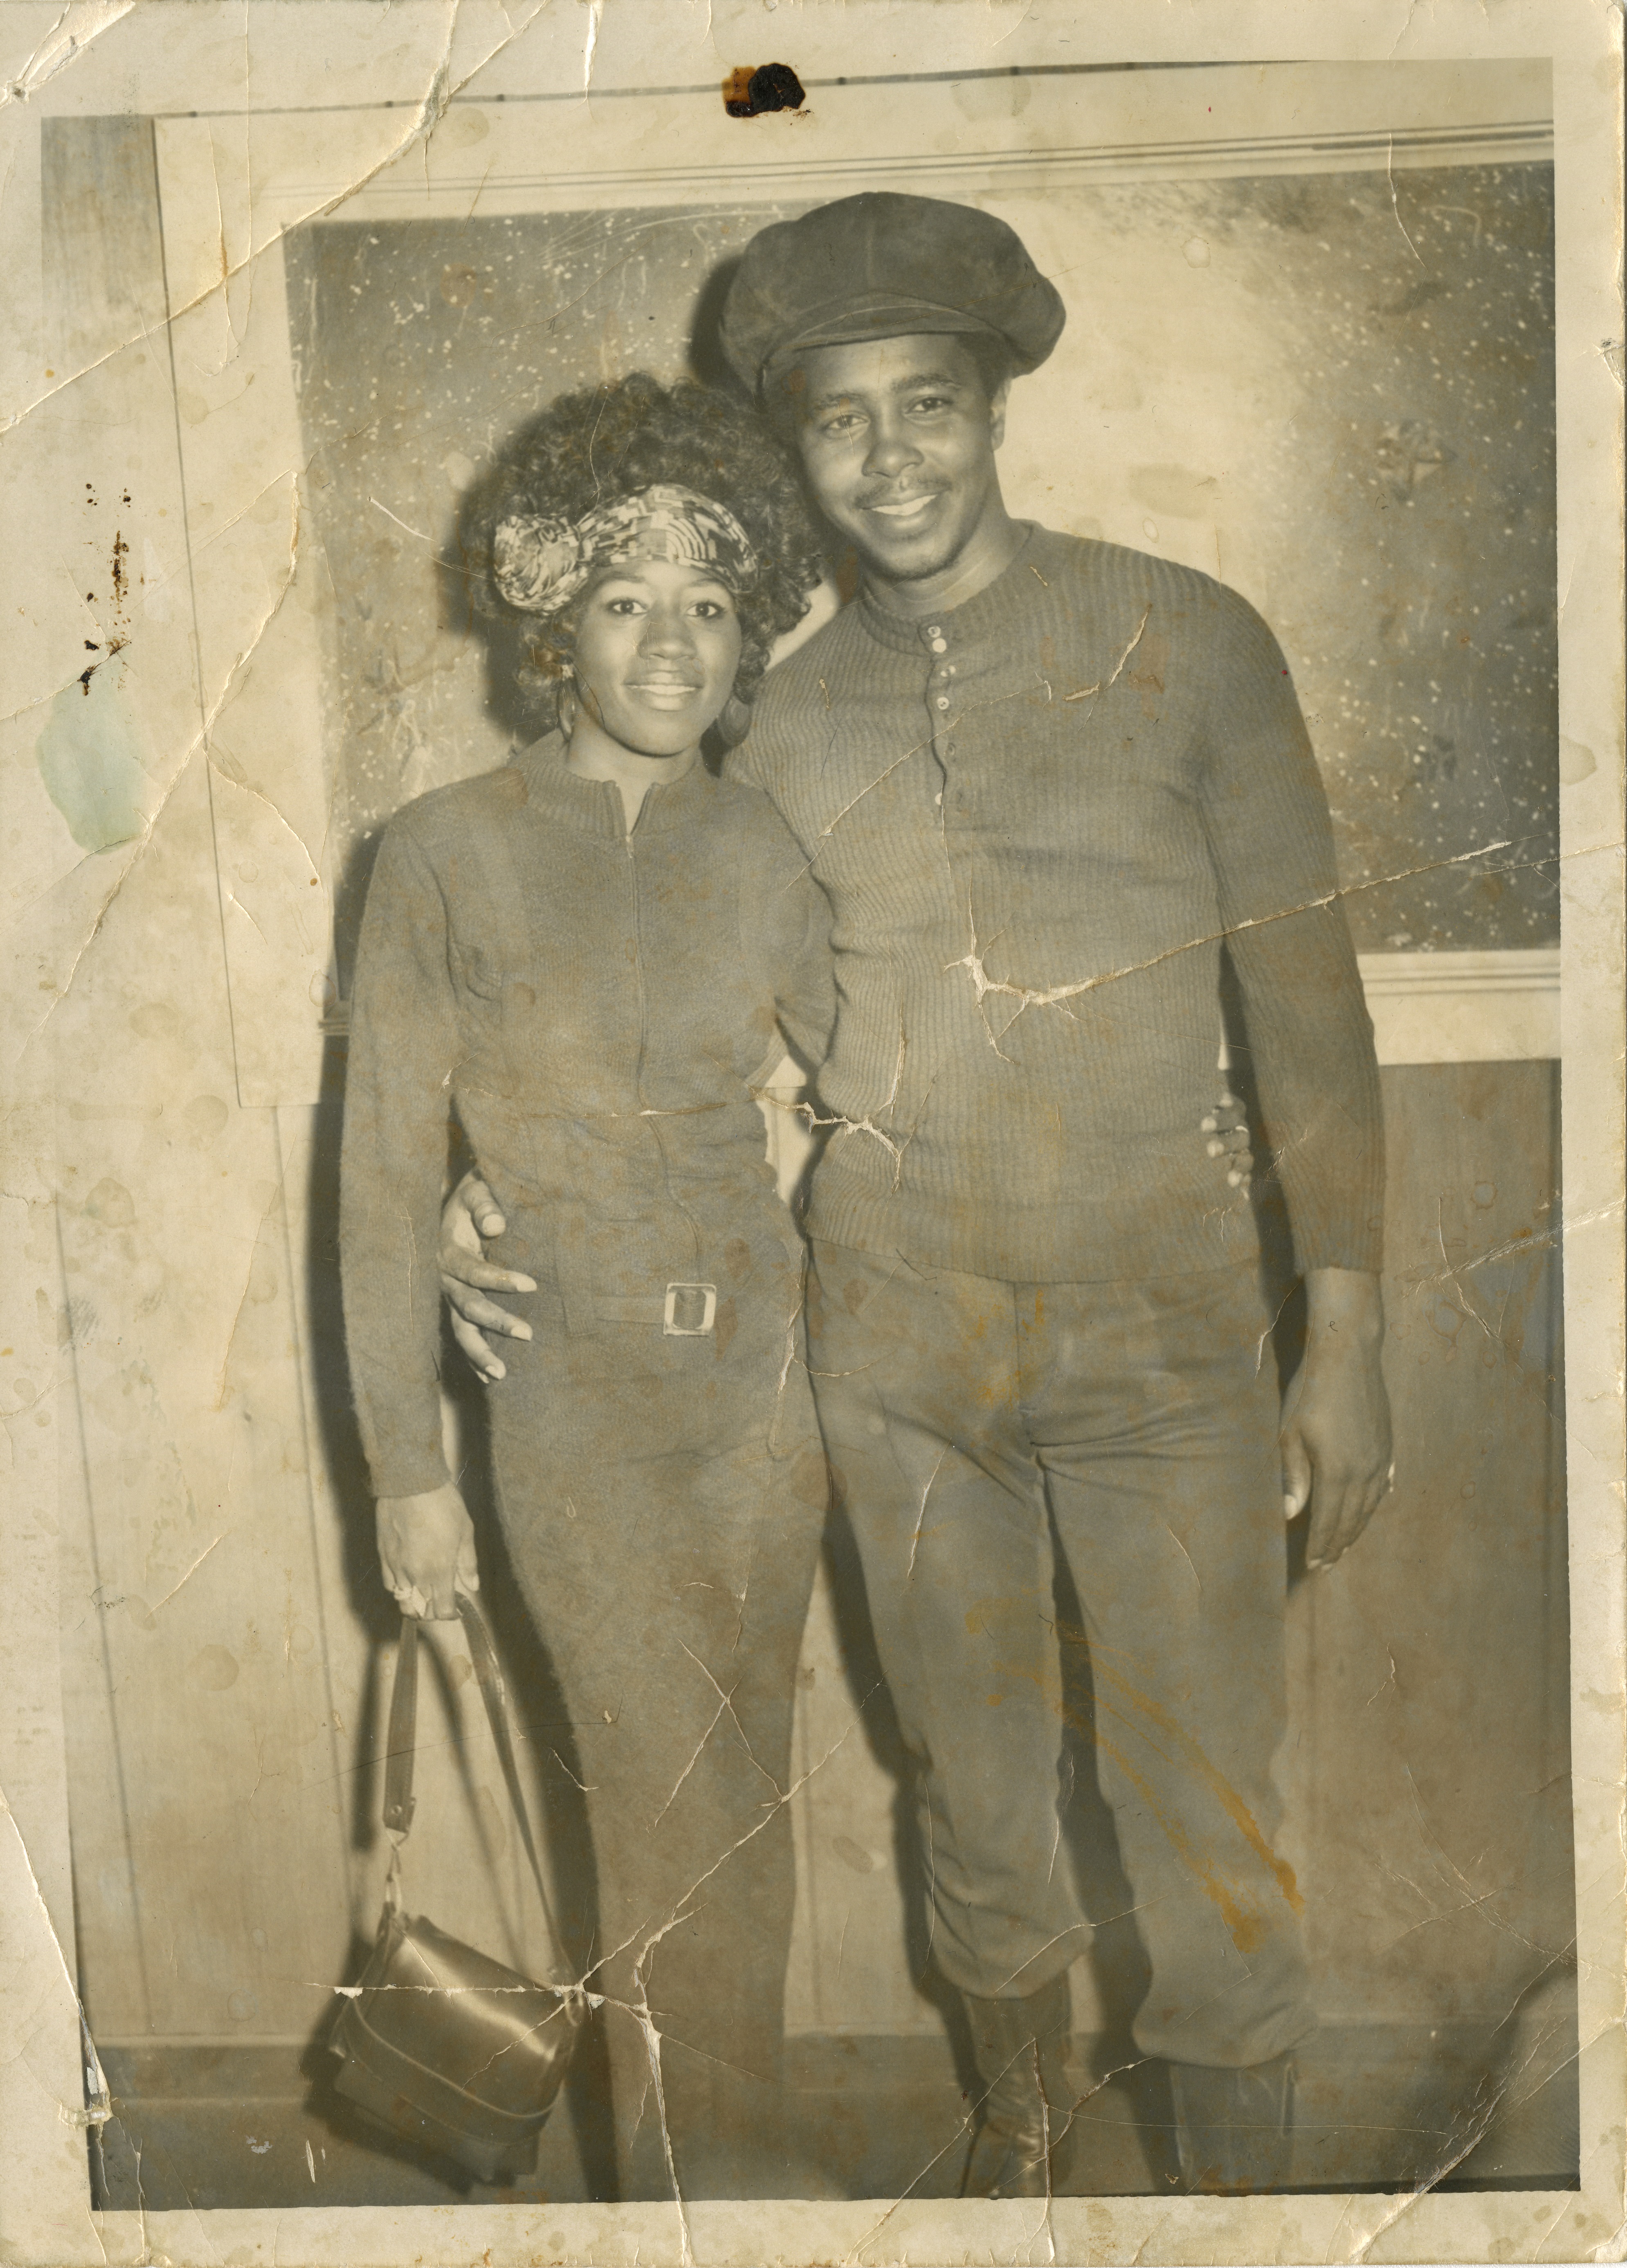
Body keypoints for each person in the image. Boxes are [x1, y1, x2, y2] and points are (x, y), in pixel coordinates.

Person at [436, 198, 1323, 2196]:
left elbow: (1305, 997)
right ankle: (1017, 2132)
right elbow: (610, 970)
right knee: (973, 1790)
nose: (891, 457)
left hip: (1167, 1325)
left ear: (995, 404)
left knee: (1204, 1803)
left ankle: (1261, 2213)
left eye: (928, 403)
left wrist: (1337, 1316)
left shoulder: (1186, 636)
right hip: (892, 1346)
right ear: (796, 454)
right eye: (839, 423)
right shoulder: (764, 707)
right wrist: (462, 1200)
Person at [339, 374, 838, 2200]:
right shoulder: (439, 852)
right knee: (666, 1819)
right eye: (626, 599)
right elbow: (383, 1167)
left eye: (709, 603)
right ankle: (722, 2210)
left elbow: (889, 1072)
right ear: (552, 619)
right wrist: (408, 1461)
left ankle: (714, 2189)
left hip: (767, 1408)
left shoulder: (771, 844)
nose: (671, 643)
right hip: (569, 1408)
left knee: (745, 1815)